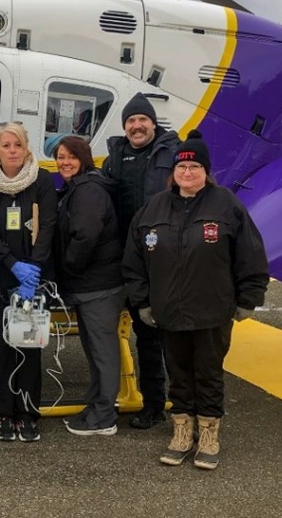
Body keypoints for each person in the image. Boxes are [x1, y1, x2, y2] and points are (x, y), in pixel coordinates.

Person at [123, 130, 269, 469]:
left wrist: (250, 296)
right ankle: (181, 431)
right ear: (173, 172)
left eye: (195, 168)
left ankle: (208, 434)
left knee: (208, 372)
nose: (187, 174)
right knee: (178, 373)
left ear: (206, 171)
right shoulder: (153, 208)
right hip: (168, 311)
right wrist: (143, 300)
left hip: (211, 310)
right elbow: (134, 260)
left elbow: (250, 254)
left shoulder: (226, 205)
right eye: (181, 168)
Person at [0, 122, 56, 442]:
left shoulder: (41, 180)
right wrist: (11, 264)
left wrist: (33, 268)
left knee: (28, 346)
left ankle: (28, 413)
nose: (11, 151)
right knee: (2, 347)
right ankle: (4, 412)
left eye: (17, 145)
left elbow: (47, 225)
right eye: (5, 145)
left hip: (31, 280)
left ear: (26, 148)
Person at [102, 92, 179, 429]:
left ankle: (182, 403)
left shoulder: (172, 152)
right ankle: (153, 405)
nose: (136, 126)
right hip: (128, 259)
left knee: (172, 335)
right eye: (131, 121)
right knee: (145, 334)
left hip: (165, 257)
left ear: (153, 123)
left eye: (142, 120)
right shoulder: (115, 155)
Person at [52, 135, 125, 436]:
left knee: (102, 351)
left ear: (84, 158)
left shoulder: (88, 191)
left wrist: (67, 267)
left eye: (71, 156)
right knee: (95, 351)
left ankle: (104, 415)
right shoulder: (79, 188)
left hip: (98, 286)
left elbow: (85, 236)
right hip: (91, 285)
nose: (64, 162)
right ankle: (96, 406)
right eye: (60, 156)